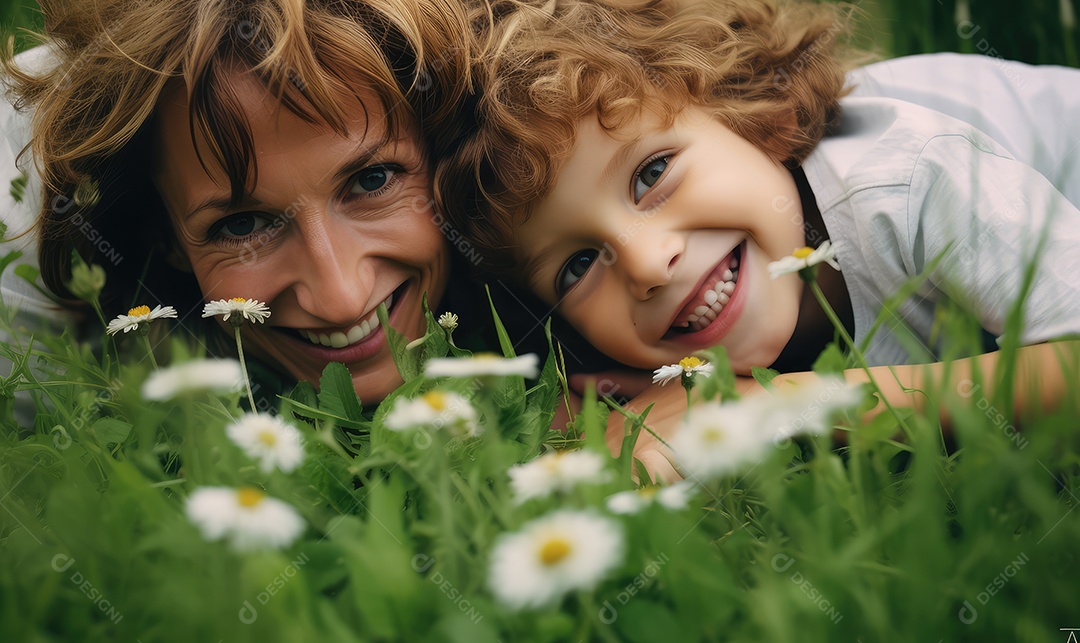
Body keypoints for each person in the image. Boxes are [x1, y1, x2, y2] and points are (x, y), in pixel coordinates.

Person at [435, 0, 1080, 479]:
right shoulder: (661, 335)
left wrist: (789, 402)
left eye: (652, 174)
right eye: (577, 266)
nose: (647, 263)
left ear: (752, 115)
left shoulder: (905, 180)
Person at [2, 0, 476, 407]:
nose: (341, 301)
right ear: (162, 236)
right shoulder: (20, 223)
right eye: (242, 225)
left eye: (372, 181)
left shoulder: (515, 126)